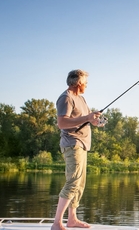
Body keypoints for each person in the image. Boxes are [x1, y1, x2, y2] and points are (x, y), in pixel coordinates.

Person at [51, 69, 104, 230]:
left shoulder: (81, 99)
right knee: (73, 182)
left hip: (82, 145)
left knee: (80, 184)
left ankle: (72, 219)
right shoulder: (66, 98)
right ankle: (57, 223)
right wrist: (87, 118)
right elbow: (62, 123)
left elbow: (85, 119)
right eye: (85, 83)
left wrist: (94, 121)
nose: (86, 85)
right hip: (72, 144)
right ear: (79, 82)